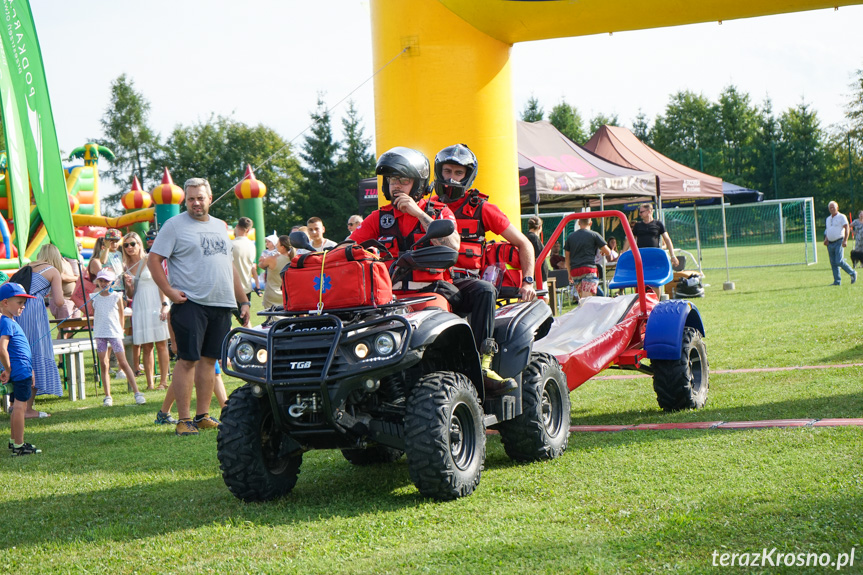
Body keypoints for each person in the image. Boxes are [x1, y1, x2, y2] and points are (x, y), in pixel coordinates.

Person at [351, 147, 517, 396]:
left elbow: (453, 245)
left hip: (432, 292)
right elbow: (348, 246)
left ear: (416, 184)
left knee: (480, 293)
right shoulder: (378, 217)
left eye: (403, 180)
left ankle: (482, 365)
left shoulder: (439, 211)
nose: (396, 185)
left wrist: (417, 213)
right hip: (388, 299)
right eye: (392, 180)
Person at [148, 177, 251, 436]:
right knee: (187, 360)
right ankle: (183, 420)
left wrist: (243, 300)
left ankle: (203, 415)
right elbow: (153, 260)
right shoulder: (173, 225)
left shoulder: (220, 226)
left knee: (209, 361)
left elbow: (230, 267)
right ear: (185, 199)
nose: (196, 203)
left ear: (210, 198)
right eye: (191, 198)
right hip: (190, 302)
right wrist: (169, 291)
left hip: (221, 304)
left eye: (200, 198)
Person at [14, 245, 66, 419]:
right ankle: (27, 409)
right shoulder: (53, 271)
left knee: (18, 353)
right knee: (36, 354)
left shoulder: (26, 267)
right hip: (35, 315)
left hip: (17, 311)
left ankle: (15, 404)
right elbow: (58, 302)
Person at [122, 232, 171, 391]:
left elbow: (161, 282)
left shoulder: (150, 259)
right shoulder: (126, 267)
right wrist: (129, 285)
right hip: (140, 306)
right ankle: (150, 383)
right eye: (126, 245)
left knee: (162, 344)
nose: (129, 247)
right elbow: (130, 295)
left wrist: (164, 304)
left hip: (156, 302)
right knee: (146, 346)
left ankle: (163, 381)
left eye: (132, 244)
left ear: (139, 244)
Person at [91, 269, 147, 407]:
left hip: (114, 333)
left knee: (123, 363)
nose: (104, 283)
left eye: (107, 281)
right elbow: (93, 313)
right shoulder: (94, 296)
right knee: (103, 364)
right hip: (100, 333)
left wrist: (121, 330)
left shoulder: (117, 296)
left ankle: (137, 392)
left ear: (113, 282)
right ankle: (107, 396)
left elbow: (121, 315)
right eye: (101, 280)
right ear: (98, 281)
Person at [0, 282, 41, 455]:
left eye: (24, 302)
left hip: (21, 369)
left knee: (18, 406)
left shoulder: (8, 321)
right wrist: (8, 369)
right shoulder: (7, 322)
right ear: (5, 302)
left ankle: (13, 441)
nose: (23, 306)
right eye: (19, 302)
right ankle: (19, 445)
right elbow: (2, 348)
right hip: (19, 371)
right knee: (20, 407)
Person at [564, 217, 613, 300]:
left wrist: (569, 273)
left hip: (575, 271)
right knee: (587, 299)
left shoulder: (570, 237)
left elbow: (567, 257)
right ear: (590, 223)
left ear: (579, 223)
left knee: (583, 298)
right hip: (588, 268)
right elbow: (608, 251)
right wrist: (603, 252)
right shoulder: (594, 234)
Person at [823, 200, 857, 286]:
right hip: (830, 243)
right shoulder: (828, 219)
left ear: (837, 208)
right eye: (830, 208)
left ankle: (852, 272)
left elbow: (847, 228)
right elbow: (828, 230)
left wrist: (845, 240)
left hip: (839, 241)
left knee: (839, 261)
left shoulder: (841, 217)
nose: (831, 209)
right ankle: (837, 281)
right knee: (833, 263)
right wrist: (826, 239)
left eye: (833, 207)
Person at [259, 235, 294, 309]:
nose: (276, 245)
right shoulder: (293, 259)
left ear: (282, 247)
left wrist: (263, 259)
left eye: (277, 243)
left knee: (271, 318)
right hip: (287, 294)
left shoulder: (272, 259)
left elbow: (261, 265)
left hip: (272, 293)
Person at [232, 217, 260, 305]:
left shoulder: (230, 244)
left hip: (232, 287)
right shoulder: (252, 246)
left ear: (237, 226)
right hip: (246, 288)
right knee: (245, 317)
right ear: (248, 230)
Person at [526, 216, 548, 283]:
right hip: (538, 275)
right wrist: (548, 251)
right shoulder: (534, 238)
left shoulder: (526, 237)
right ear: (539, 227)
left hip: (531, 274)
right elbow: (541, 255)